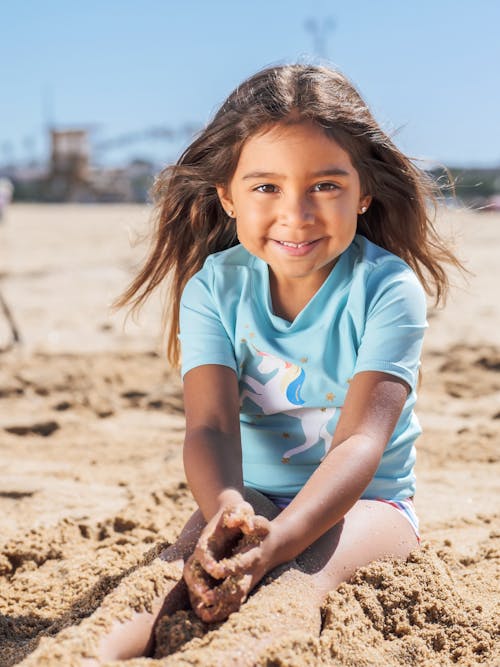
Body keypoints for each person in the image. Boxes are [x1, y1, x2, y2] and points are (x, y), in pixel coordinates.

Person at [85, 64, 462, 664]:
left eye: (326, 186)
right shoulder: (214, 288)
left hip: (368, 506)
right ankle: (82, 655)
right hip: (249, 493)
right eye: (266, 187)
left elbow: (361, 442)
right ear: (227, 196)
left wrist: (283, 539)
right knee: (178, 572)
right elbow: (208, 427)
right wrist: (229, 511)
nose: (297, 213)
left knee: (297, 580)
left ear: (364, 191)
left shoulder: (387, 288)